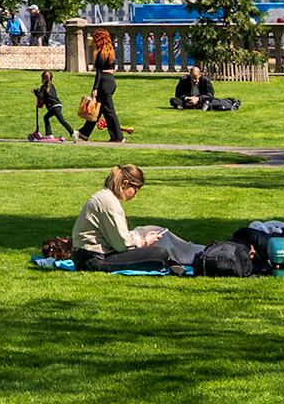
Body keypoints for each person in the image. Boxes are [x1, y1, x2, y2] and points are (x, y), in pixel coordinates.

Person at [70, 166, 200, 272]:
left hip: (89, 256)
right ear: (125, 184)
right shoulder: (109, 203)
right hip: (94, 261)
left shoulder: (105, 197)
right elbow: (122, 244)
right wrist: (144, 242)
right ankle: (179, 260)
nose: (135, 195)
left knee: (150, 238)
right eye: (135, 190)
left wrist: (141, 238)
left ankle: (181, 258)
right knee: (160, 253)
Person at [77, 29, 125, 143]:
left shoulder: (100, 53)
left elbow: (99, 72)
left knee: (109, 111)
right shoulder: (111, 51)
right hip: (111, 81)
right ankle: (84, 133)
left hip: (103, 83)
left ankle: (118, 136)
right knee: (98, 110)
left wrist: (95, 88)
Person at [34, 70, 74, 140]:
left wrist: (35, 92)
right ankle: (49, 133)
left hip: (54, 107)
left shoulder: (43, 87)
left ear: (43, 78)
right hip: (58, 105)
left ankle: (72, 132)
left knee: (62, 121)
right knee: (46, 117)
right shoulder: (51, 86)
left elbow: (41, 96)